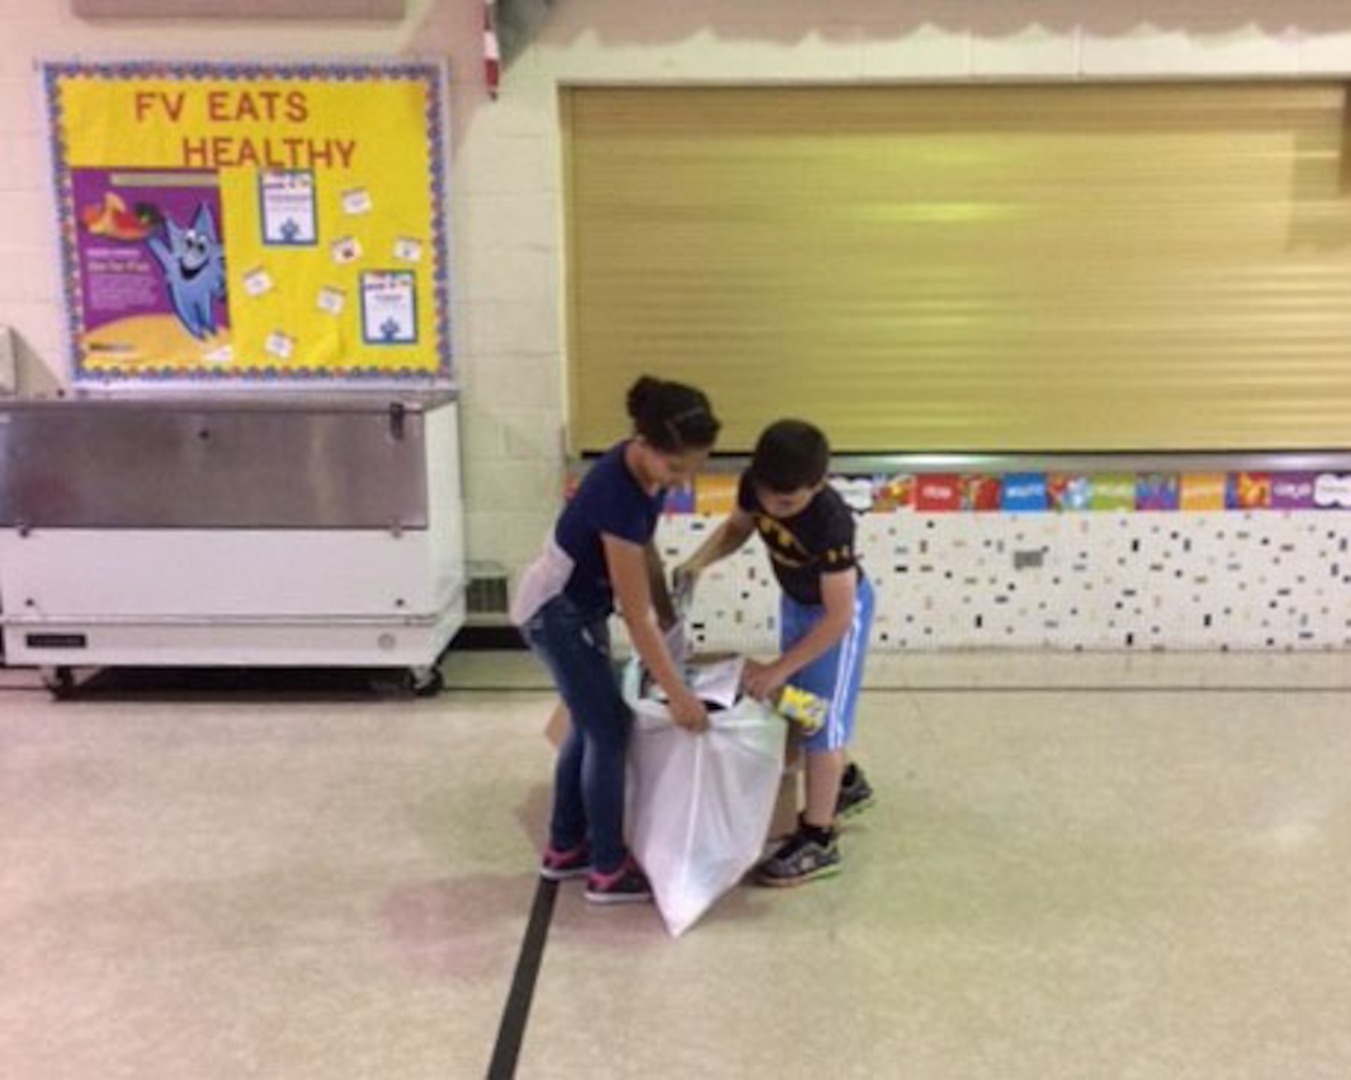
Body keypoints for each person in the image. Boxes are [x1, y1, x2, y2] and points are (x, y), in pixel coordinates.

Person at [512, 376, 720, 904]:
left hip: (578, 610)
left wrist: (671, 614)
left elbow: (644, 551)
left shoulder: (642, 475)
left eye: (693, 467)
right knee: (608, 729)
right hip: (556, 614)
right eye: (675, 467)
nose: (682, 479)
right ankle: (606, 867)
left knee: (590, 723)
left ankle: (565, 848)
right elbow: (634, 614)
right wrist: (679, 695)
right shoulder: (616, 494)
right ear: (643, 444)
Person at [675, 419, 874, 886]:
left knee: (821, 720)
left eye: (786, 502)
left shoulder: (831, 520)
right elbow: (739, 528)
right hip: (797, 604)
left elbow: (839, 617)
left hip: (835, 617)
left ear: (818, 484)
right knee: (797, 705)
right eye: (766, 494)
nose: (772, 507)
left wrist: (777, 667)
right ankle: (845, 782)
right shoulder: (757, 485)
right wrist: (697, 562)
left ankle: (819, 838)